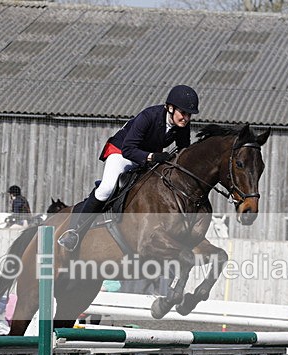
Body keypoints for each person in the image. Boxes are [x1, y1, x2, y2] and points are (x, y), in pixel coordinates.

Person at [58, 84, 200, 252]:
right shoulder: (148, 116)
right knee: (107, 188)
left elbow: (183, 150)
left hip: (146, 158)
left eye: (189, 114)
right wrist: (153, 157)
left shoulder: (182, 126)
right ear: (170, 107)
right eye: (183, 113)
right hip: (122, 153)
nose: (186, 118)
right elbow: (128, 149)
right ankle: (75, 232)